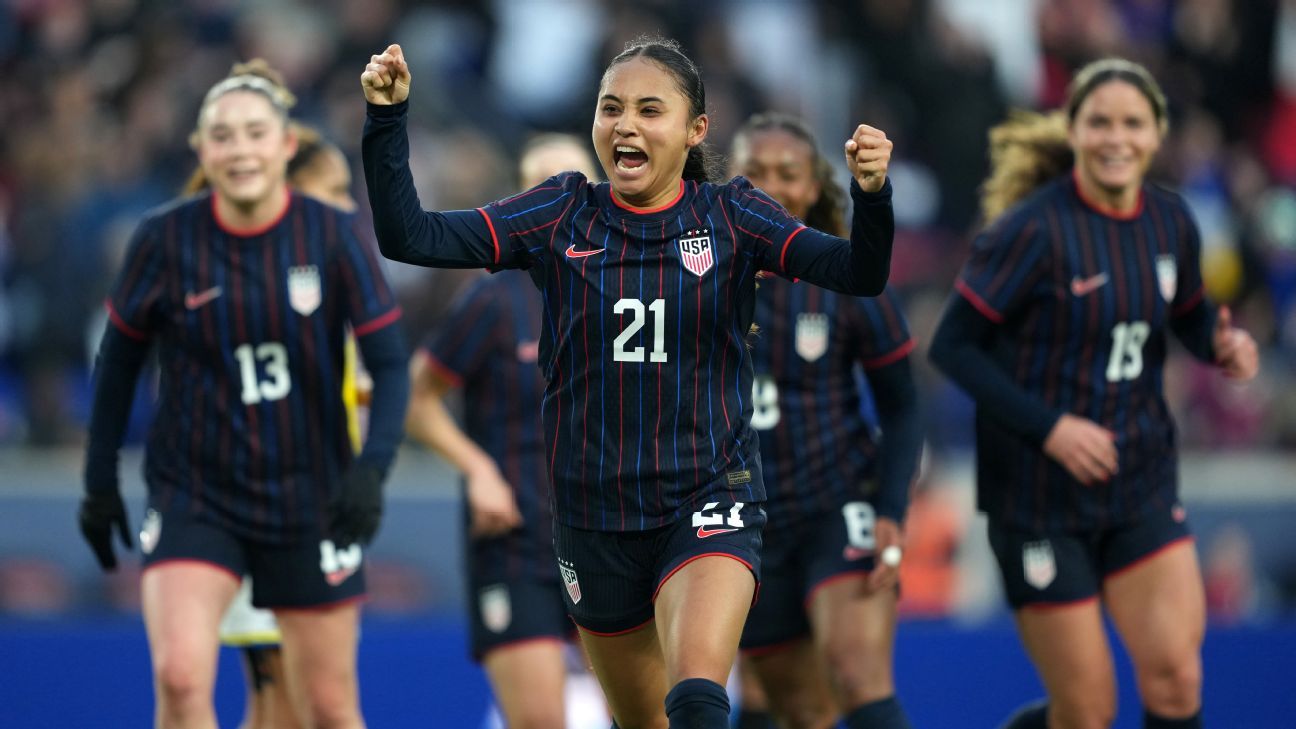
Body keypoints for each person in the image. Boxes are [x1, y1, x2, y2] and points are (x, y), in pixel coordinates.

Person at [361, 36, 895, 729]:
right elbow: (410, 237)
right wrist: (386, 119)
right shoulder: (560, 213)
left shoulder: (733, 215)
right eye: (611, 108)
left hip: (707, 496)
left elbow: (858, 272)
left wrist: (872, 196)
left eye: (649, 109)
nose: (626, 125)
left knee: (697, 698)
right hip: (594, 517)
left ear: (695, 130)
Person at [77, 59, 410, 729]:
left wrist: (371, 470)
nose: (240, 150)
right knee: (180, 676)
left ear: (285, 145)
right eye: (223, 136)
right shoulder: (165, 238)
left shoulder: (332, 233)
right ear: (201, 150)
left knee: (326, 708)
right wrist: (99, 477)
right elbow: (117, 362)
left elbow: (390, 362)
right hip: (196, 492)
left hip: (310, 494)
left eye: (256, 133)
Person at [928, 58, 1259, 729]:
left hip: (1139, 481)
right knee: (1086, 711)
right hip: (1038, 498)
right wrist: (1051, 428)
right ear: (1074, 129)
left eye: (1133, 123)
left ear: (1156, 134)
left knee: (1177, 678)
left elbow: (1190, 313)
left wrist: (1222, 345)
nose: (1116, 138)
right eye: (1100, 122)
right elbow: (953, 347)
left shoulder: (1171, 220)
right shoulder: (1030, 231)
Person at [405, 132, 607, 729]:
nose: (561, 196)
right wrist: (478, 470)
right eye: (544, 184)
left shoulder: (625, 287)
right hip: (517, 537)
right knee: (539, 720)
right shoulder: (493, 300)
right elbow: (417, 397)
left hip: (612, 533)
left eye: (574, 181)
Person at [729, 112, 922, 729]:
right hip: (745, 524)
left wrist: (891, 508)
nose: (771, 185)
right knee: (801, 711)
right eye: (755, 171)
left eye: (788, 173)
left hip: (837, 503)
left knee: (857, 674)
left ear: (814, 187)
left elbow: (902, 405)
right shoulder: (694, 278)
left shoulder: (847, 275)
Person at [195, 122, 367, 729]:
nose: (348, 206)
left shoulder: (325, 274)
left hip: (318, 506)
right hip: (272, 508)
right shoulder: (258, 279)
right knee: (298, 698)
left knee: (279, 702)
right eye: (334, 189)